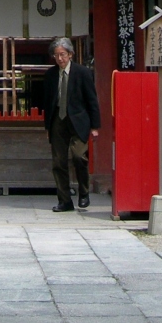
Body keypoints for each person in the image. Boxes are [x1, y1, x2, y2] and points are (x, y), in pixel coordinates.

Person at [43, 36, 100, 211]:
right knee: (58, 161)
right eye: (56, 55)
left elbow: (92, 100)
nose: (60, 58)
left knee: (78, 156)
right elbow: (47, 101)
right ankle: (64, 200)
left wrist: (95, 126)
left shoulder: (83, 73)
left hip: (78, 120)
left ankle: (84, 192)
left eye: (63, 54)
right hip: (58, 120)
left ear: (70, 54)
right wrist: (48, 126)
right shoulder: (51, 75)